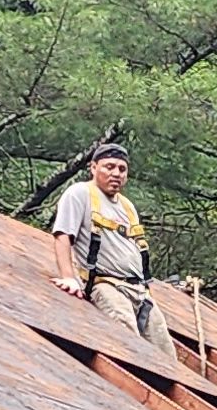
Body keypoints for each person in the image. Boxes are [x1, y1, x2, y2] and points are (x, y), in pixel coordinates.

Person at [49, 140, 155, 339]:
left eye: (122, 169)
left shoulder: (127, 206)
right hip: (107, 285)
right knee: (128, 342)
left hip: (139, 291)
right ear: (93, 167)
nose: (116, 173)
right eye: (110, 167)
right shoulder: (81, 193)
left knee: (165, 353)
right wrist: (68, 277)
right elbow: (63, 234)